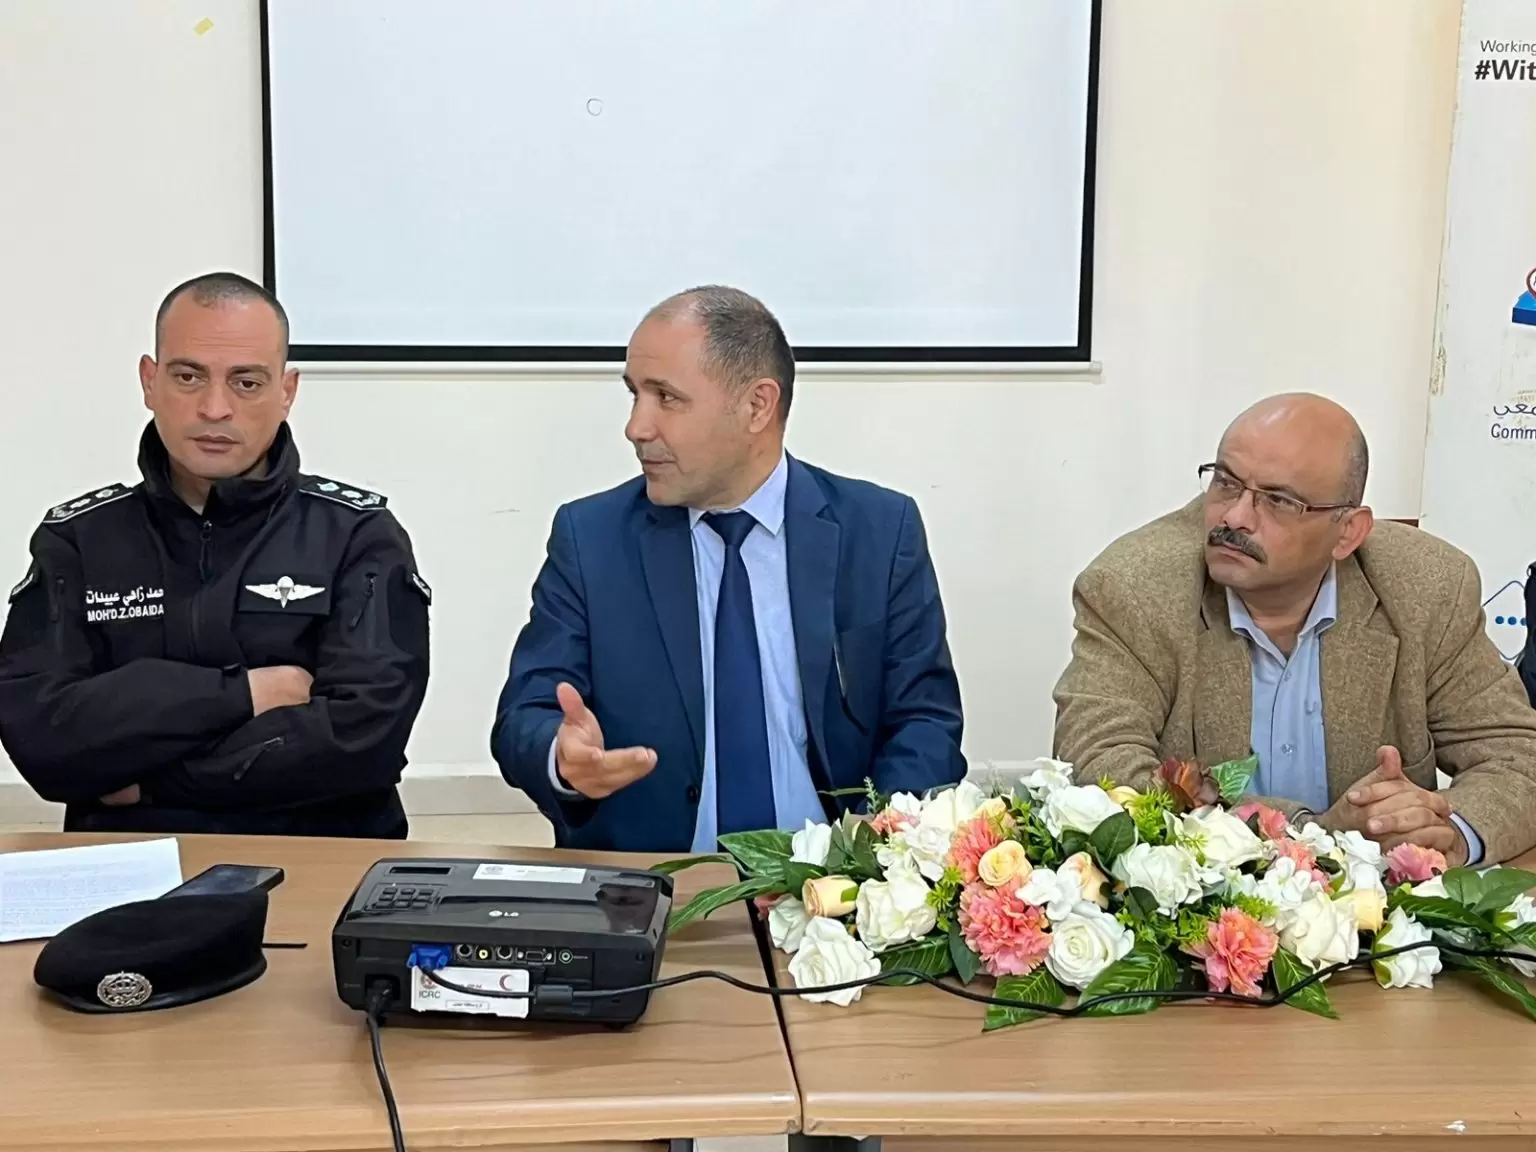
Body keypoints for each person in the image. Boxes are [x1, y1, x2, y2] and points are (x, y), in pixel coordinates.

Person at [493, 285, 965, 852]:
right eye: (634, 394)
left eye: (666, 398)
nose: (637, 427)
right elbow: (527, 712)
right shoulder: (591, 538)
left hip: (833, 881)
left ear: (757, 406)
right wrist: (561, 757)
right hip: (652, 879)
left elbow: (924, 722)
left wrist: (870, 851)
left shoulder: (880, 531)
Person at [0, 272, 431, 837]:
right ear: (149, 381)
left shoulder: (357, 535)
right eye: (188, 377)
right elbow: (43, 738)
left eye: (246, 382)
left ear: (287, 392)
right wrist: (249, 693)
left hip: (322, 850)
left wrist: (152, 784)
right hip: (129, 854)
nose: (214, 408)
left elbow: (363, 740)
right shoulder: (79, 539)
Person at [1052, 392, 1536, 866]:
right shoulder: (1133, 588)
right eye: (1225, 482)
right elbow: (1099, 767)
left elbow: (1518, 756)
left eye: (1279, 500)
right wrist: (1315, 836)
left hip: (1388, 909)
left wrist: (1450, 834)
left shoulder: (1428, 587)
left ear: (1348, 531)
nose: (1235, 517)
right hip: (1209, 909)